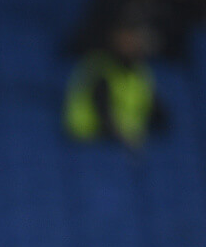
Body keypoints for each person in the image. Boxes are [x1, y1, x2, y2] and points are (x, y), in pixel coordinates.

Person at [64, 18, 168, 149]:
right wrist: (126, 136)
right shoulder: (99, 66)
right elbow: (103, 112)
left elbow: (156, 110)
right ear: (114, 38)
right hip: (89, 140)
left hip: (121, 142)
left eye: (134, 39)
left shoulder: (140, 73)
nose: (131, 43)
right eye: (126, 38)